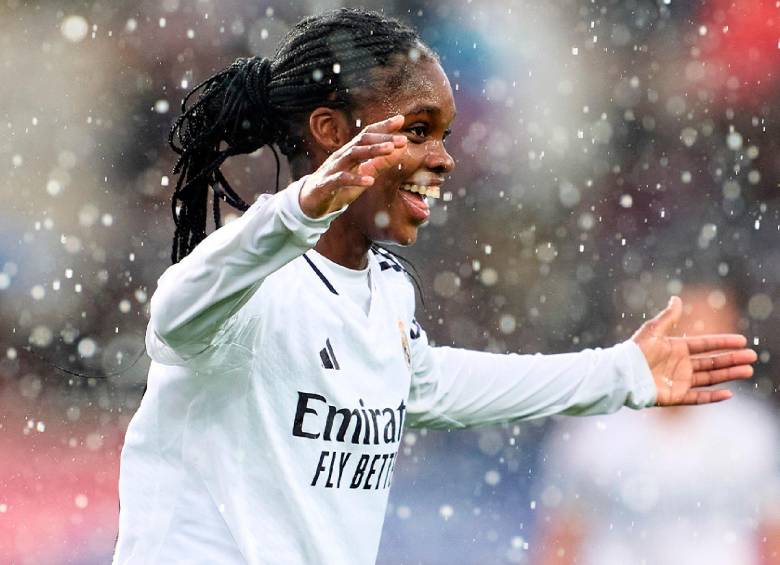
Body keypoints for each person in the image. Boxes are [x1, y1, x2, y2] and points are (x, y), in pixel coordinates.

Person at [113, 9, 757, 564]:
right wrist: (302, 207)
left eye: (444, 135)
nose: (444, 158)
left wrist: (622, 372)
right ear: (331, 131)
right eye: (418, 130)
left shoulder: (386, 291)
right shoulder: (247, 275)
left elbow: (430, 383)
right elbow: (173, 315)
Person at [533, 285, 780, 565]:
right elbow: (562, 536)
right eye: (690, 323)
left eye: (715, 326)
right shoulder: (595, 429)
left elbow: (773, 536)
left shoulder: (751, 431)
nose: (702, 338)